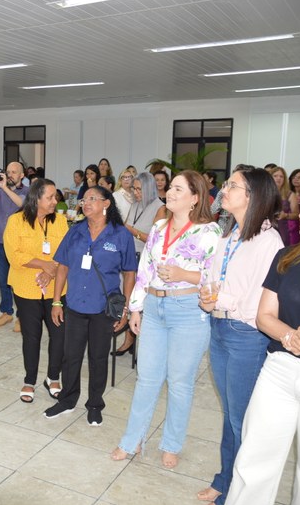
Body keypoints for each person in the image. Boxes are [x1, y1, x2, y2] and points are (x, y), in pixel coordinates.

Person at [225, 177, 300, 505]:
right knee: (255, 460)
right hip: (279, 370)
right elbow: (265, 316)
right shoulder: (288, 257)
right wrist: (289, 336)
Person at [111, 170, 220, 469]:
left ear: (195, 198)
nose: (169, 193)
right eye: (170, 188)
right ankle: (132, 440)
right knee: (146, 379)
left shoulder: (209, 231)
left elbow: (217, 277)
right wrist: (136, 308)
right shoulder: (159, 227)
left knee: (180, 382)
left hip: (188, 310)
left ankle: (171, 444)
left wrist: (185, 274)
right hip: (155, 309)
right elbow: (145, 269)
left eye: (177, 189)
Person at [195, 168, 284, 505]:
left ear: (253, 195)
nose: (225, 190)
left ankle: (241, 490)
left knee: (240, 417)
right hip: (220, 327)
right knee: (231, 414)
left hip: (246, 334)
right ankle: (226, 479)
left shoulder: (269, 240)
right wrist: (207, 295)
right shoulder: (229, 233)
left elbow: (258, 299)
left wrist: (221, 300)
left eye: (233, 185)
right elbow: (215, 276)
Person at [44, 186, 137, 422]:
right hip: (75, 304)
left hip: (103, 308)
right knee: (71, 355)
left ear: (106, 203)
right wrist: (56, 302)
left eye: (92, 199)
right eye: (84, 199)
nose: (86, 203)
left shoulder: (120, 234)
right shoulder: (75, 231)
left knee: (98, 358)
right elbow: (62, 266)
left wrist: (126, 308)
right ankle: (68, 399)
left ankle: (95, 404)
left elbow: (129, 273)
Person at [3, 179, 69, 404]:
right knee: (31, 336)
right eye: (50, 197)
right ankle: (29, 380)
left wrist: (50, 271)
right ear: (36, 198)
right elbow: (14, 254)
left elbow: (65, 252)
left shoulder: (60, 221)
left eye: (55, 197)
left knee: (59, 335)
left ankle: (53, 378)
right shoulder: (16, 221)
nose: (54, 201)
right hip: (25, 287)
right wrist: (43, 264)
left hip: (56, 289)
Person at [114, 172, 166, 355]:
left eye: (139, 189)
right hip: (129, 256)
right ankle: (129, 338)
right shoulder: (135, 205)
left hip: (145, 260)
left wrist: (132, 231)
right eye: (134, 188)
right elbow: (125, 226)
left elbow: (155, 239)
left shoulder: (160, 208)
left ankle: (140, 343)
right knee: (127, 297)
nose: (135, 192)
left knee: (140, 301)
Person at [0, 161, 29, 328]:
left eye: (14, 172)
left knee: (19, 281)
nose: (10, 175)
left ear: (22, 175)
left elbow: (22, 204)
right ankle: (6, 312)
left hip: (20, 244)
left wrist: (4, 188)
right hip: (1, 241)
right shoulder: (0, 190)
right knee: (3, 280)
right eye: (8, 171)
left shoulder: (26, 191)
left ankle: (22, 316)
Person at [287, 168, 300, 245]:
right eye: (294, 177)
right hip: (289, 223)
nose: (296, 179)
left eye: (299, 177)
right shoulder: (286, 193)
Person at [271, 166, 291, 245]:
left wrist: (285, 215)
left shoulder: (289, 194)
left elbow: (296, 214)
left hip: (282, 229)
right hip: (266, 226)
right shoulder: (265, 192)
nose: (278, 178)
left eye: (281, 176)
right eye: (275, 176)